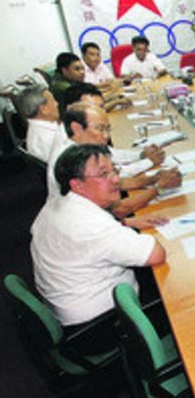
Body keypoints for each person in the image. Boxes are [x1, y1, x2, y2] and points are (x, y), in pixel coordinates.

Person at [31, 144, 167, 354]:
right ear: (77, 185)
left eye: (114, 170)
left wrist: (126, 225)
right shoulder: (91, 225)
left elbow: (85, 243)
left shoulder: (57, 203)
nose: (115, 179)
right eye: (103, 174)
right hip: (99, 329)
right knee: (185, 305)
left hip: (71, 310)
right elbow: (156, 254)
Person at [46, 102, 179, 219]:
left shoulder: (80, 146)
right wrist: (159, 188)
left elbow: (117, 181)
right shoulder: (70, 160)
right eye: (100, 129)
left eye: (107, 129)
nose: (106, 136)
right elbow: (119, 210)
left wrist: (153, 179)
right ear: (77, 128)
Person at [62, 82, 164, 178]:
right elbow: (113, 175)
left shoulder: (87, 136)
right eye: (93, 108)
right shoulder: (70, 152)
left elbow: (112, 154)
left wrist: (141, 154)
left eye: (101, 107)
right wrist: (149, 161)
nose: (101, 112)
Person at [20, 87, 59, 161]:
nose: (57, 104)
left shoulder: (37, 129)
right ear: (44, 109)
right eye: (53, 101)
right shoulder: (48, 137)